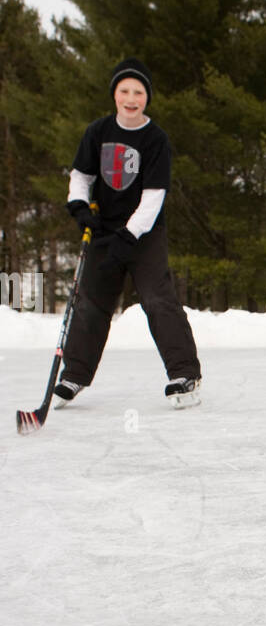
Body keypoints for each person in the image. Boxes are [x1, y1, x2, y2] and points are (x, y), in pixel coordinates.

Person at [56, 58, 202, 409]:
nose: (131, 98)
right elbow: (82, 175)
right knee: (91, 301)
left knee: (157, 299)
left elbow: (154, 197)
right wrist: (78, 206)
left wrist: (130, 234)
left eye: (138, 91)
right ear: (115, 95)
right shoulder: (98, 131)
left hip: (145, 234)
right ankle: (73, 374)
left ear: (147, 97)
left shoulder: (156, 140)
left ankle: (185, 374)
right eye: (124, 91)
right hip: (104, 230)